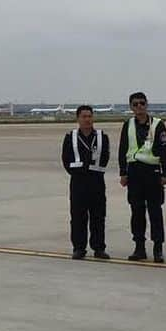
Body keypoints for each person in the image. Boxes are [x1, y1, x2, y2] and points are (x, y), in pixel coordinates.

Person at [118, 92, 166, 262]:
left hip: (153, 172)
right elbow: (123, 149)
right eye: (135, 104)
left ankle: (158, 248)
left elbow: (165, 150)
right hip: (134, 173)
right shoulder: (128, 125)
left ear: (147, 104)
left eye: (142, 103)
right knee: (136, 211)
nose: (139, 107)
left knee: (155, 211)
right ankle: (139, 247)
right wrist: (123, 172)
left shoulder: (158, 124)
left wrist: (165, 173)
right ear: (131, 107)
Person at [61, 105, 111, 259]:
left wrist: (93, 170)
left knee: (98, 216)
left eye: (89, 116)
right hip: (78, 182)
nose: (87, 119)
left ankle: (99, 248)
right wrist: (78, 172)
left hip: (96, 181)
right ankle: (79, 248)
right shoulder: (71, 137)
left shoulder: (102, 136)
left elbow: (105, 157)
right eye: (84, 116)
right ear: (78, 119)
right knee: (78, 216)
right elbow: (66, 158)